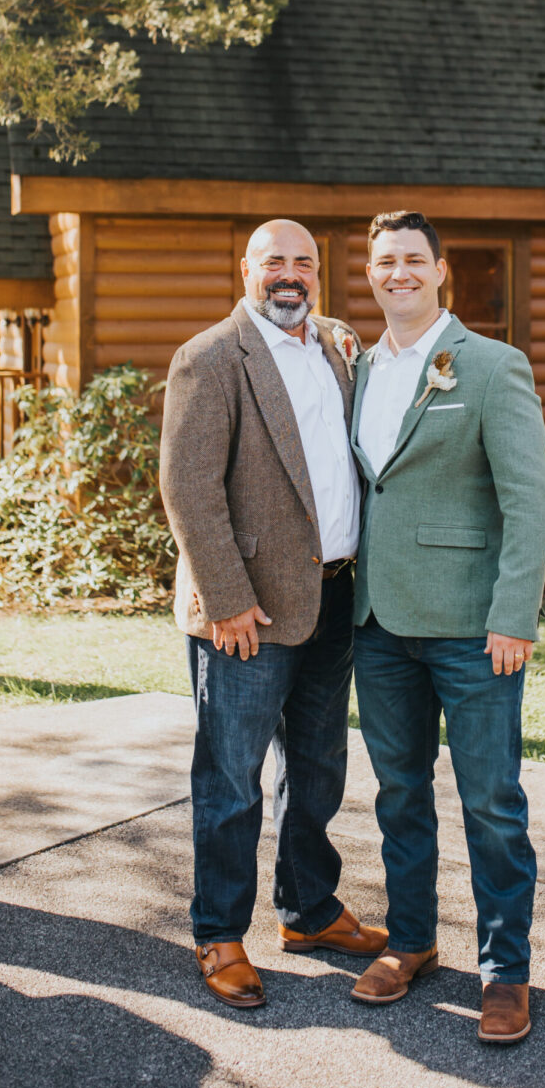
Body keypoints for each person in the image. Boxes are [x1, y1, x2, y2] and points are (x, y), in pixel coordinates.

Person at [159, 218, 387, 1010]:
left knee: (318, 770)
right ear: (247, 269)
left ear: (318, 274)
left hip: (333, 598)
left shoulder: (335, 347)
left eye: (304, 262)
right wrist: (225, 599)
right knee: (230, 781)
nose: (289, 274)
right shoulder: (212, 357)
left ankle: (309, 912)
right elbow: (189, 487)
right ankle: (219, 932)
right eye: (274, 261)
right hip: (245, 614)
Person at [348, 210, 545, 1044]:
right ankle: (411, 942)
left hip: (474, 627)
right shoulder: (355, 369)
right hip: (376, 623)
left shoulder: (493, 365)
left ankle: (505, 972)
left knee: (492, 804)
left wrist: (514, 617)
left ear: (440, 271)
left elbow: (529, 498)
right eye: (383, 261)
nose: (397, 272)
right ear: (371, 274)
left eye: (412, 260)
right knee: (400, 796)